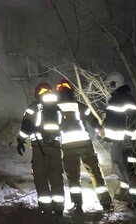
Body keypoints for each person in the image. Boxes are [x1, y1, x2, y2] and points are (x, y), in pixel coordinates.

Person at [55, 78, 113, 213]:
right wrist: (101, 132)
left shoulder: (55, 108)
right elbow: (93, 121)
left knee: (73, 177)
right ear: (71, 91)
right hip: (85, 144)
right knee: (95, 173)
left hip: (68, 146)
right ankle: (106, 203)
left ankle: (77, 206)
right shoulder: (80, 105)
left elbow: (53, 127)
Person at [17, 83, 65, 215]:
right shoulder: (58, 108)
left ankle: (46, 207)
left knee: (40, 176)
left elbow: (26, 126)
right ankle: (59, 207)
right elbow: (63, 126)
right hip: (55, 146)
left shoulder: (33, 108)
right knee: (56, 176)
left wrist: (20, 141)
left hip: (39, 147)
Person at [102, 72, 136, 207]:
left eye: (110, 85)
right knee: (120, 167)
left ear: (115, 84)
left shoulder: (127, 99)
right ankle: (125, 192)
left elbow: (132, 120)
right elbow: (114, 119)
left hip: (126, 142)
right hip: (116, 141)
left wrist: (128, 137)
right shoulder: (116, 99)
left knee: (130, 169)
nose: (108, 87)